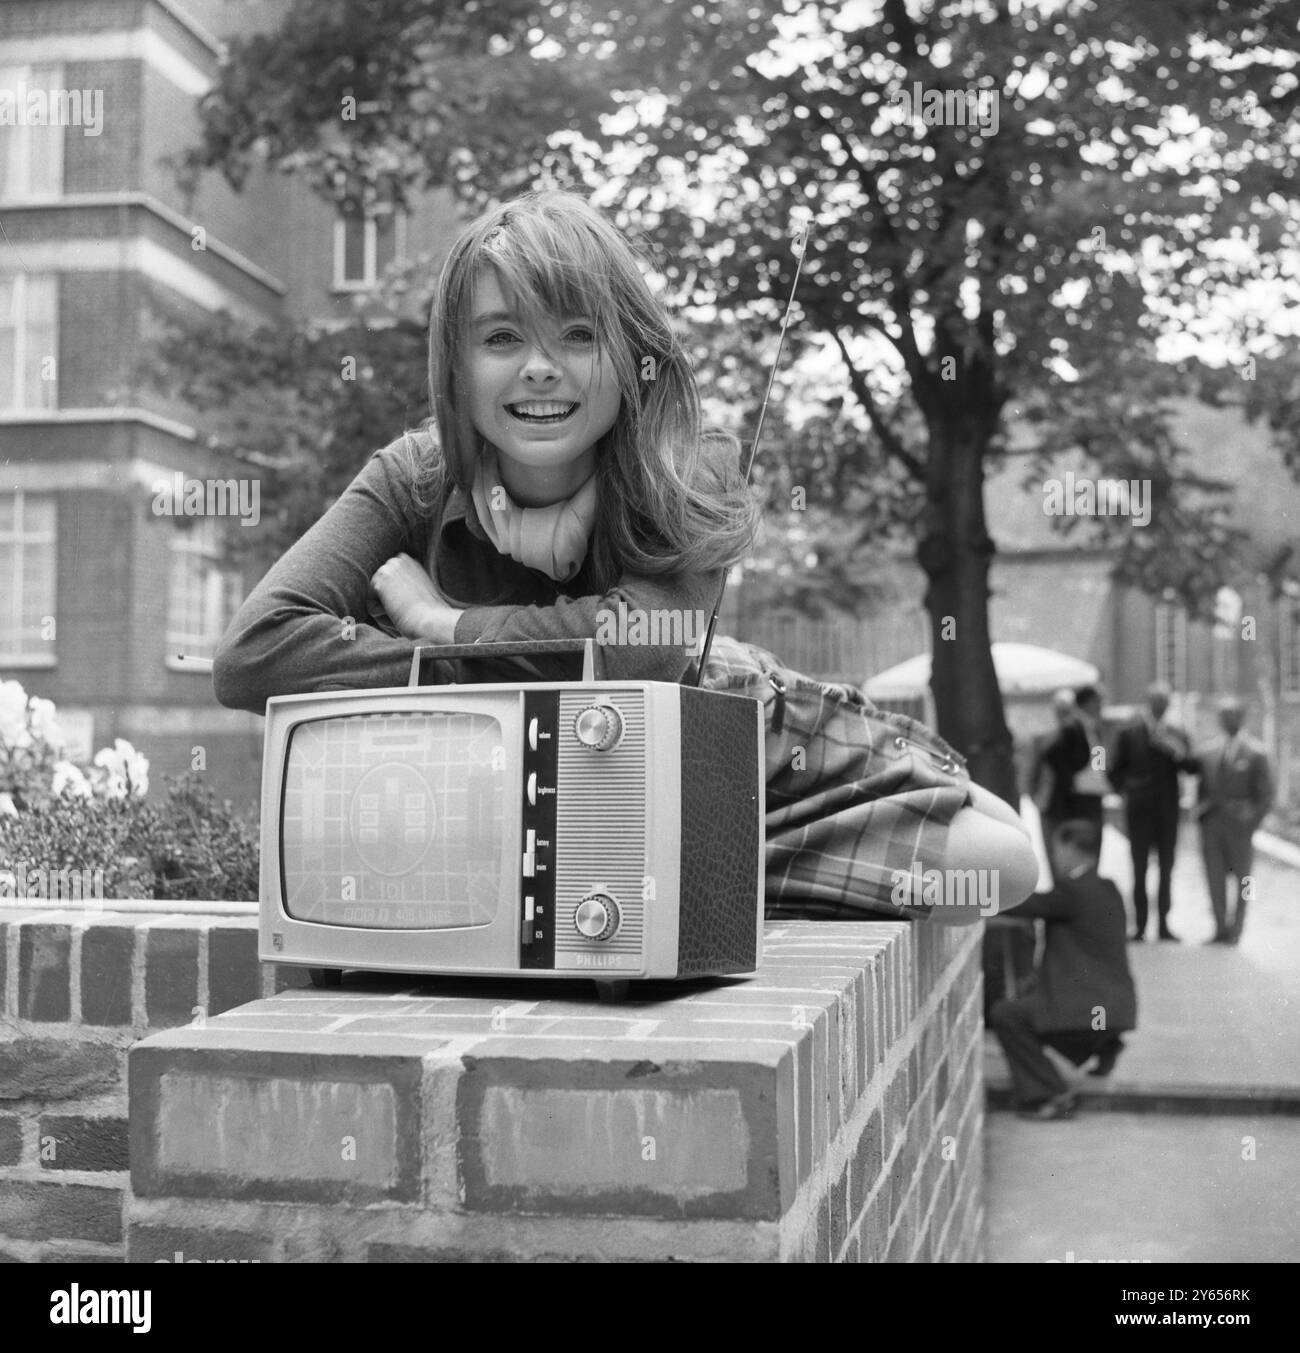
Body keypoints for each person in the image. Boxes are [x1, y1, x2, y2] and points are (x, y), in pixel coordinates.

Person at [212, 191, 1039, 924]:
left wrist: (446, 623)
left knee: (1007, 859)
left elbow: (643, 652)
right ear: (456, 369)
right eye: (502, 337)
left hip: (735, 755)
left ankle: (708, 875)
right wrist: (471, 666)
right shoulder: (412, 480)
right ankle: (700, 879)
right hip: (575, 813)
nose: (540, 367)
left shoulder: (686, 463)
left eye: (577, 334)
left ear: (627, 351)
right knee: (992, 862)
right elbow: (255, 655)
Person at [987, 819, 1137, 1120]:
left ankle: (1050, 1092)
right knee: (1037, 1005)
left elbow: (1020, 905)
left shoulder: (1072, 890)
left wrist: (957, 893)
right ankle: (1104, 1045)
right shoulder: (1108, 889)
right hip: (1116, 1008)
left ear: (1074, 849)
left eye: (1057, 849)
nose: (1055, 857)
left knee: (1007, 1015)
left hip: (1085, 1007)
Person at [1110, 682, 1195, 942]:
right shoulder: (1128, 732)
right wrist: (1129, 791)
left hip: (1167, 811)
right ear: (1149, 702)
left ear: (1169, 705)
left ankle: (1164, 925)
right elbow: (1114, 770)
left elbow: (1193, 767)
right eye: (1156, 700)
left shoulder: (1178, 734)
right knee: (1139, 868)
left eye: (1164, 701)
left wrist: (1176, 751)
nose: (1160, 705)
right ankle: (1140, 926)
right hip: (1139, 810)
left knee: (1167, 867)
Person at [1192, 697, 1274, 945]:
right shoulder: (1207, 752)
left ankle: (1238, 927)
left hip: (1240, 825)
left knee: (1245, 879)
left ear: (1241, 718)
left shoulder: (1257, 753)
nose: (1227, 720)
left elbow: (1266, 795)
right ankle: (1219, 927)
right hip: (1212, 824)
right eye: (1223, 716)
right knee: (1213, 876)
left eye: (1232, 715)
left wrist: (1251, 823)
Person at [1032, 688, 1091, 882]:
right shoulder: (1057, 733)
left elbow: (1093, 761)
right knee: (1055, 858)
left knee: (1065, 858)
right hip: (1052, 802)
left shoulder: (1076, 730)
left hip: (1067, 803)